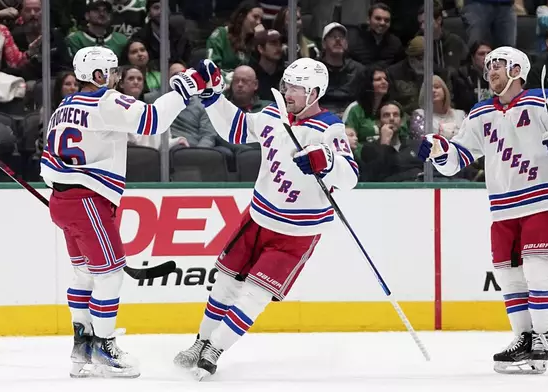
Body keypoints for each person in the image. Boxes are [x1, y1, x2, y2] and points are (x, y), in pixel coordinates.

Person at [172, 57, 359, 381]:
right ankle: (200, 341)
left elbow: (351, 177)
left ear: (314, 92)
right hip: (258, 216)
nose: (288, 92)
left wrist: (326, 160)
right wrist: (212, 98)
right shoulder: (272, 113)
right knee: (226, 284)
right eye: (287, 85)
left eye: (296, 88)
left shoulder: (330, 127)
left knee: (255, 295)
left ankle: (215, 349)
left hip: (298, 231)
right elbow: (236, 128)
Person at [418, 47, 548, 374]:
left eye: (499, 65)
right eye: (489, 65)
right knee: (508, 275)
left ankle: (541, 337)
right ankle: (522, 337)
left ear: (517, 69)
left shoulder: (544, 100)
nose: (491, 70)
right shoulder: (481, 113)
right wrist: (439, 150)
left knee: (537, 267)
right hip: (503, 205)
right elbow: (457, 161)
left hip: (542, 197)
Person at [40, 46, 197, 378]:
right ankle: (104, 346)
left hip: (63, 200)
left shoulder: (62, 107)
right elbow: (153, 121)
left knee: (84, 275)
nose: (114, 79)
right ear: (98, 76)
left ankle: (81, 347)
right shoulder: (104, 101)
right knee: (109, 274)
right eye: (111, 73)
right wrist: (185, 89)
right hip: (88, 201)